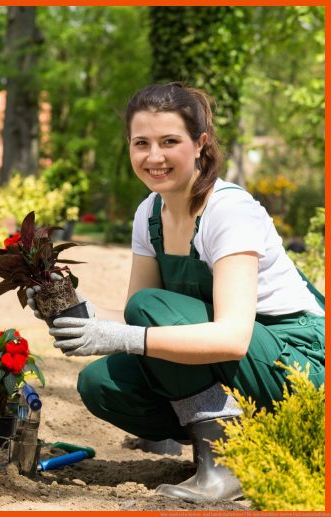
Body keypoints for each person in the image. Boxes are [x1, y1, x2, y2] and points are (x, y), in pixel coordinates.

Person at [27, 82, 324, 501]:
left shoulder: (228, 211)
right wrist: (73, 307)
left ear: (200, 144)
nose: (154, 157)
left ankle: (226, 464)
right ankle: (236, 439)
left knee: (149, 310)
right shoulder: (149, 212)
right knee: (102, 384)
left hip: (296, 361)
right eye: (141, 143)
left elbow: (233, 337)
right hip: (242, 365)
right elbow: (136, 312)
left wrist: (125, 337)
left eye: (170, 141)